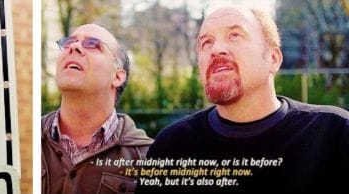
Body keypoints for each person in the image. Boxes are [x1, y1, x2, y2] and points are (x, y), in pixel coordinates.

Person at [146, 6, 349, 192]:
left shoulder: (335, 134)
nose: (216, 49)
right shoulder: (172, 148)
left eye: (235, 35)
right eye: (206, 43)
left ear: (273, 58)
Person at [41, 23, 153, 194]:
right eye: (69, 42)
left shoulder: (148, 158)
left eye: (93, 44)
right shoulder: (29, 140)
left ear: (117, 76)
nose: (74, 47)